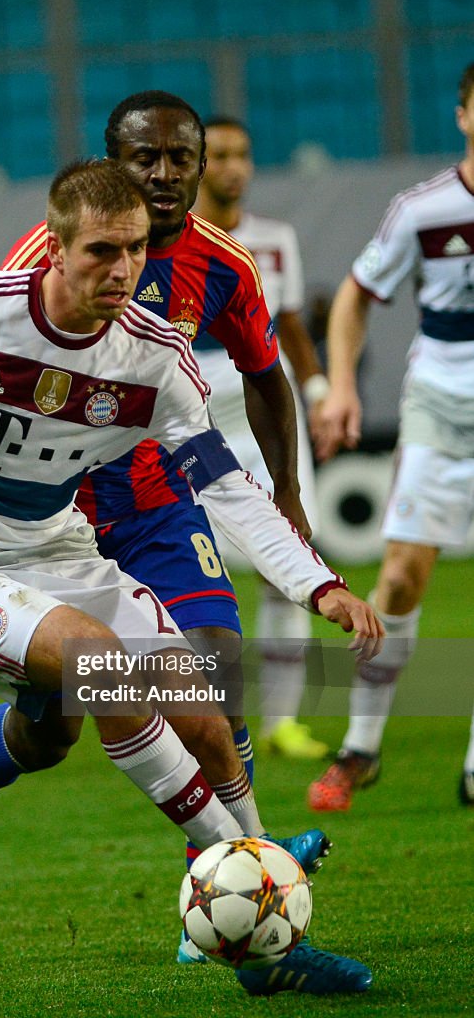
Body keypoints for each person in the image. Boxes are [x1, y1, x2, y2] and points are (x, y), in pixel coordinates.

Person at [0, 159, 381, 997]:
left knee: (186, 718)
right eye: (100, 251)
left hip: (58, 554)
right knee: (101, 664)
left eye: (133, 251)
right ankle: (245, 903)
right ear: (52, 249)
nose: (122, 269)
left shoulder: (157, 358)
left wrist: (316, 584)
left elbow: (219, 479)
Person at [1, 91, 342, 972]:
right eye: (141, 159)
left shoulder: (224, 265)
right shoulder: (46, 256)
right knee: (51, 732)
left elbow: (268, 379)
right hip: (56, 518)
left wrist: (288, 497)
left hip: (159, 502)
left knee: (213, 675)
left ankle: (227, 882)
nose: (160, 175)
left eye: (176, 159)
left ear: (198, 164)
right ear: (111, 162)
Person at [309, 60, 474, 811]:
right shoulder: (421, 209)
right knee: (401, 577)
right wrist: (342, 384)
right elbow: (353, 295)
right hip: (438, 404)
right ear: (462, 115)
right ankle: (360, 747)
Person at [193, 116, 330, 760]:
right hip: (188, 403)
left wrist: (323, 393)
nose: (233, 166)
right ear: (196, 164)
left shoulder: (274, 241)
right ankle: (194, 715)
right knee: (186, 565)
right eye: (218, 154)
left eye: (242, 154)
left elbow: (291, 326)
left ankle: (281, 720)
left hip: (261, 397)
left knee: (288, 556)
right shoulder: (164, 241)